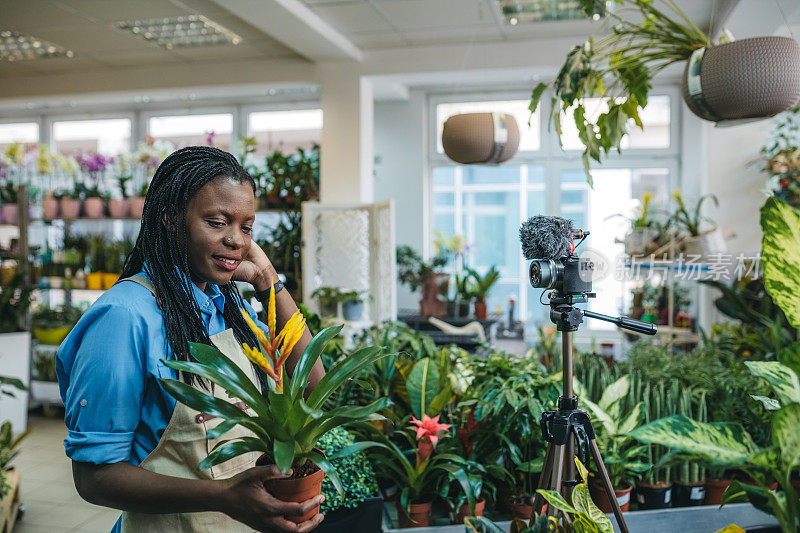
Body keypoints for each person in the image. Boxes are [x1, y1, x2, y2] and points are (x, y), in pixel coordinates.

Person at [56, 146, 325, 532]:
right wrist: (225, 498)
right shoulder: (125, 317)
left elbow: (312, 384)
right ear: (170, 218)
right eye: (217, 222)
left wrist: (269, 280)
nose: (236, 240)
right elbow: (95, 477)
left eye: (246, 227)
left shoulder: (228, 304)